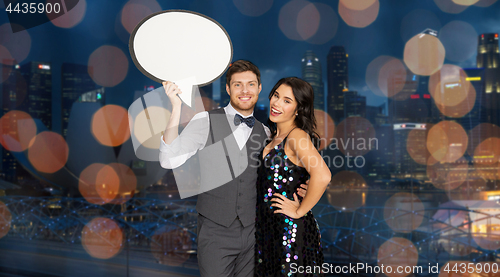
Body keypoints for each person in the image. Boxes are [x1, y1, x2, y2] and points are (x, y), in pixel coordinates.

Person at [159, 60, 307, 277]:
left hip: (253, 233)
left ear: (259, 88)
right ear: (228, 89)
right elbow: (168, 160)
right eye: (238, 85)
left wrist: (300, 191)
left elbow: (274, 179)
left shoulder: (266, 133)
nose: (245, 90)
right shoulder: (205, 120)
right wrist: (176, 107)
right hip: (214, 232)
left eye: (250, 84)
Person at [255, 77, 331, 277]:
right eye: (276, 96)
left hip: (289, 231)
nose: (277, 103)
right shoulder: (273, 136)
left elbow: (322, 175)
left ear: (298, 109)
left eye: (287, 101)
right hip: (267, 230)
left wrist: (300, 210)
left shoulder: (296, 135)